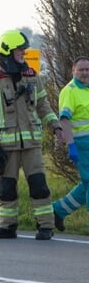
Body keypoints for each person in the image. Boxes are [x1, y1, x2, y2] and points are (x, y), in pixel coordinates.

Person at [0, 29, 64, 240]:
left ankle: (46, 227)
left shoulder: (31, 75)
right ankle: (7, 227)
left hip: (31, 144)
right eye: (19, 50)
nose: (23, 53)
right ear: (7, 51)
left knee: (39, 185)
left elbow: (43, 104)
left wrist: (55, 125)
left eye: (23, 50)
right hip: (4, 146)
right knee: (6, 188)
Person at [51, 56, 89, 231]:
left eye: (87, 70)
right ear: (73, 70)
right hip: (82, 144)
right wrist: (71, 145)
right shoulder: (70, 90)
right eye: (81, 69)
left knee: (86, 184)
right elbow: (64, 119)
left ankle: (57, 210)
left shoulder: (87, 89)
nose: (85, 73)